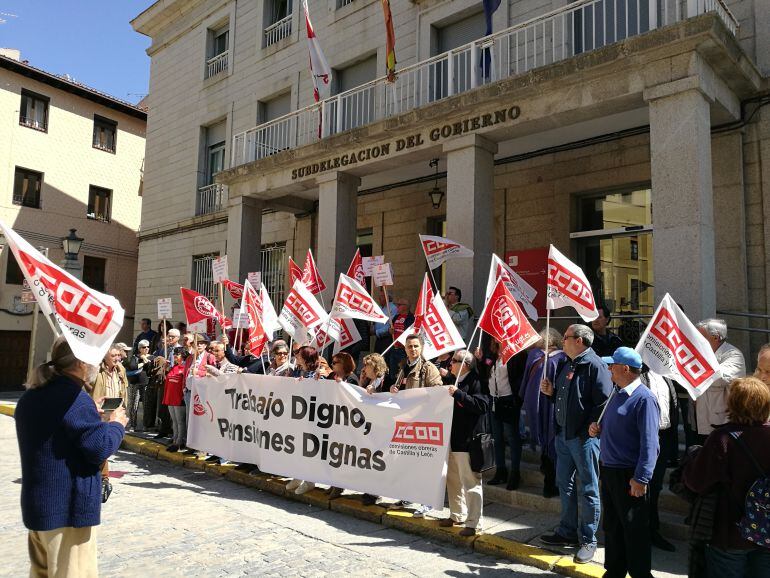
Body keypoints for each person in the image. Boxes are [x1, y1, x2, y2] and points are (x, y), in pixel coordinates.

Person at [15, 337, 127, 578]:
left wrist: (91, 415)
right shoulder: (74, 398)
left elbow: (60, 433)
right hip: (67, 511)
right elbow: (99, 448)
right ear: (80, 363)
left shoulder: (34, 394)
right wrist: (117, 425)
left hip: (41, 508)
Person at [539, 324, 613, 564]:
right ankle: (567, 530)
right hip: (563, 435)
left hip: (583, 439)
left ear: (580, 341)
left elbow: (603, 402)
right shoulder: (567, 363)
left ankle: (588, 538)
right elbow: (564, 395)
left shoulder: (595, 365)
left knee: (589, 488)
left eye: (567, 337)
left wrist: (591, 425)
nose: (563, 341)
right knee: (565, 484)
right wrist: (550, 393)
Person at [683, 377, 770, 578]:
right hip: (766, 533)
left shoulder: (722, 439)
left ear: (733, 404)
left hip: (729, 534)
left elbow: (696, 482)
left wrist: (692, 459)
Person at [588, 347, 660, 578]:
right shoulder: (616, 393)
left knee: (634, 530)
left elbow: (650, 444)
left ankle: (640, 574)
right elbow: (617, 427)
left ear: (625, 369)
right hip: (609, 470)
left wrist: (641, 478)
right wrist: (598, 430)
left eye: (612, 365)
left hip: (629, 474)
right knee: (613, 526)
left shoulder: (644, 399)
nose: (609, 370)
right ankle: (615, 571)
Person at [439, 349, 490, 536]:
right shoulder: (453, 380)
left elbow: (482, 406)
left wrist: (459, 394)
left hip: (468, 440)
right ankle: (456, 514)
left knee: (470, 482)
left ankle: (474, 522)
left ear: (465, 364)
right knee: (453, 480)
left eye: (454, 360)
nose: (450, 363)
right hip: (452, 438)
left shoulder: (477, 381)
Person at [390, 334, 442, 516]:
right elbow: (399, 389)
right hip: (406, 422)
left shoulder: (428, 368)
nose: (412, 349)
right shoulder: (404, 368)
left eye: (415, 346)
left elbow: (437, 392)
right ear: (405, 349)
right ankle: (408, 495)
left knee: (424, 464)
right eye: (409, 346)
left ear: (421, 348)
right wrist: (394, 390)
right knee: (408, 462)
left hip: (423, 422)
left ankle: (427, 501)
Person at [520, 327, 568, 498]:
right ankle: (550, 480)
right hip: (551, 402)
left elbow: (525, 380)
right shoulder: (560, 357)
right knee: (550, 437)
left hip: (539, 402)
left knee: (546, 438)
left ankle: (548, 476)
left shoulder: (535, 355)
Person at [475, 337, 527, 490]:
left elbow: (520, 376)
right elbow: (485, 374)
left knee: (512, 437)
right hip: (494, 400)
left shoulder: (516, 354)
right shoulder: (491, 354)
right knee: (497, 437)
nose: (498, 337)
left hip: (509, 400)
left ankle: (515, 473)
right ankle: (501, 471)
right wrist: (479, 360)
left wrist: (517, 398)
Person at [640, 365, 678, 552]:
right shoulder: (639, 376)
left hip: (663, 437)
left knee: (654, 488)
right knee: (642, 487)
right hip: (645, 438)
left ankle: (653, 530)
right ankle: (639, 532)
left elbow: (672, 406)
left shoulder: (666, 376)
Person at [693, 319, 746, 442]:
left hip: (722, 423)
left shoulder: (734, 355)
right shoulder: (700, 354)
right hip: (700, 419)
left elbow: (717, 378)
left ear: (716, 337)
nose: (696, 341)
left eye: (701, 337)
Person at [286, 346, 321, 495]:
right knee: (299, 447)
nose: (297, 357)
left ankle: (309, 480)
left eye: (299, 355)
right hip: (300, 415)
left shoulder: (318, 373)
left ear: (305, 357)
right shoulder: (301, 372)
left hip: (313, 418)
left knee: (309, 449)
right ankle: (298, 475)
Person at [359, 352, 392, 507]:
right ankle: (369, 489)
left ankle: (375, 491)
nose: (364, 368)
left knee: (378, 458)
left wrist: (376, 393)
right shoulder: (368, 380)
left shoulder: (387, 380)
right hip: (369, 426)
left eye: (367, 365)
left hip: (383, 426)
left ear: (375, 366)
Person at [150, 328, 179, 438]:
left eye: (172, 336)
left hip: (173, 381)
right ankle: (163, 428)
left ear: (177, 338)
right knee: (162, 405)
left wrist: (170, 365)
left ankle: (172, 429)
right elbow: (156, 357)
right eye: (169, 336)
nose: (170, 338)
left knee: (171, 407)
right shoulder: (164, 348)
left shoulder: (179, 349)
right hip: (163, 380)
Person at [163, 347, 188, 453]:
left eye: (177, 355)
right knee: (174, 421)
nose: (175, 357)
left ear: (182, 356)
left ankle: (179, 442)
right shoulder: (174, 367)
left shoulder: (185, 368)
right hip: (170, 397)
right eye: (174, 355)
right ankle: (175, 439)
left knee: (180, 421)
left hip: (179, 398)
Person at [124, 339, 152, 431]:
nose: (146, 348)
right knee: (133, 405)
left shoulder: (152, 357)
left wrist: (146, 360)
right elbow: (133, 367)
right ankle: (133, 425)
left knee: (146, 405)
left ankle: (145, 425)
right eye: (144, 347)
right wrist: (143, 362)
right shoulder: (135, 357)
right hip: (135, 383)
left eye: (148, 347)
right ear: (140, 348)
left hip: (146, 383)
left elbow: (150, 369)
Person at [386, 298, 414, 377]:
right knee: (392, 374)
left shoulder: (411, 318)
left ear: (406, 306)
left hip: (404, 351)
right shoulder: (396, 317)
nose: (397, 306)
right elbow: (391, 330)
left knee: (402, 374)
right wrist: (390, 331)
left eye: (399, 305)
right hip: (394, 349)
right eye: (396, 304)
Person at [373, 288, 397, 354]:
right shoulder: (380, 308)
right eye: (379, 296)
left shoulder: (393, 308)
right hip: (378, 338)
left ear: (387, 297)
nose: (379, 298)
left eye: (381, 296)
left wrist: (376, 332)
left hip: (387, 338)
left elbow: (390, 325)